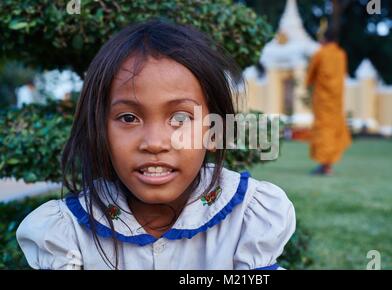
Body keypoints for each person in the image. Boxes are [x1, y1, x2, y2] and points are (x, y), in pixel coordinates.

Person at [16, 20, 295, 270]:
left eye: (181, 117)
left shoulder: (247, 217)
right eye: (128, 117)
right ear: (99, 130)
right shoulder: (67, 234)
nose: (155, 143)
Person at [306, 29, 352, 176]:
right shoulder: (341, 55)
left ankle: (326, 166)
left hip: (323, 100)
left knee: (323, 130)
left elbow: (310, 76)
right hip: (336, 100)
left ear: (324, 39)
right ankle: (327, 164)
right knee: (333, 130)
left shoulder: (320, 54)